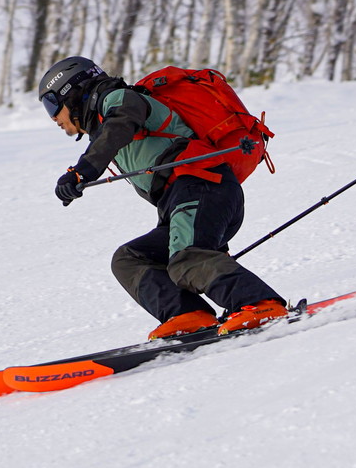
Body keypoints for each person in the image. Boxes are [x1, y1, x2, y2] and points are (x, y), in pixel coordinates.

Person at [38, 55, 295, 340]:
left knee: (188, 260)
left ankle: (260, 305)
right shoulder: (103, 124)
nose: (53, 118)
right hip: (187, 201)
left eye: (51, 105)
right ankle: (187, 314)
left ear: (70, 93)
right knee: (130, 259)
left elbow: (118, 127)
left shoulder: (120, 100)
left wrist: (82, 172)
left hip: (204, 186)